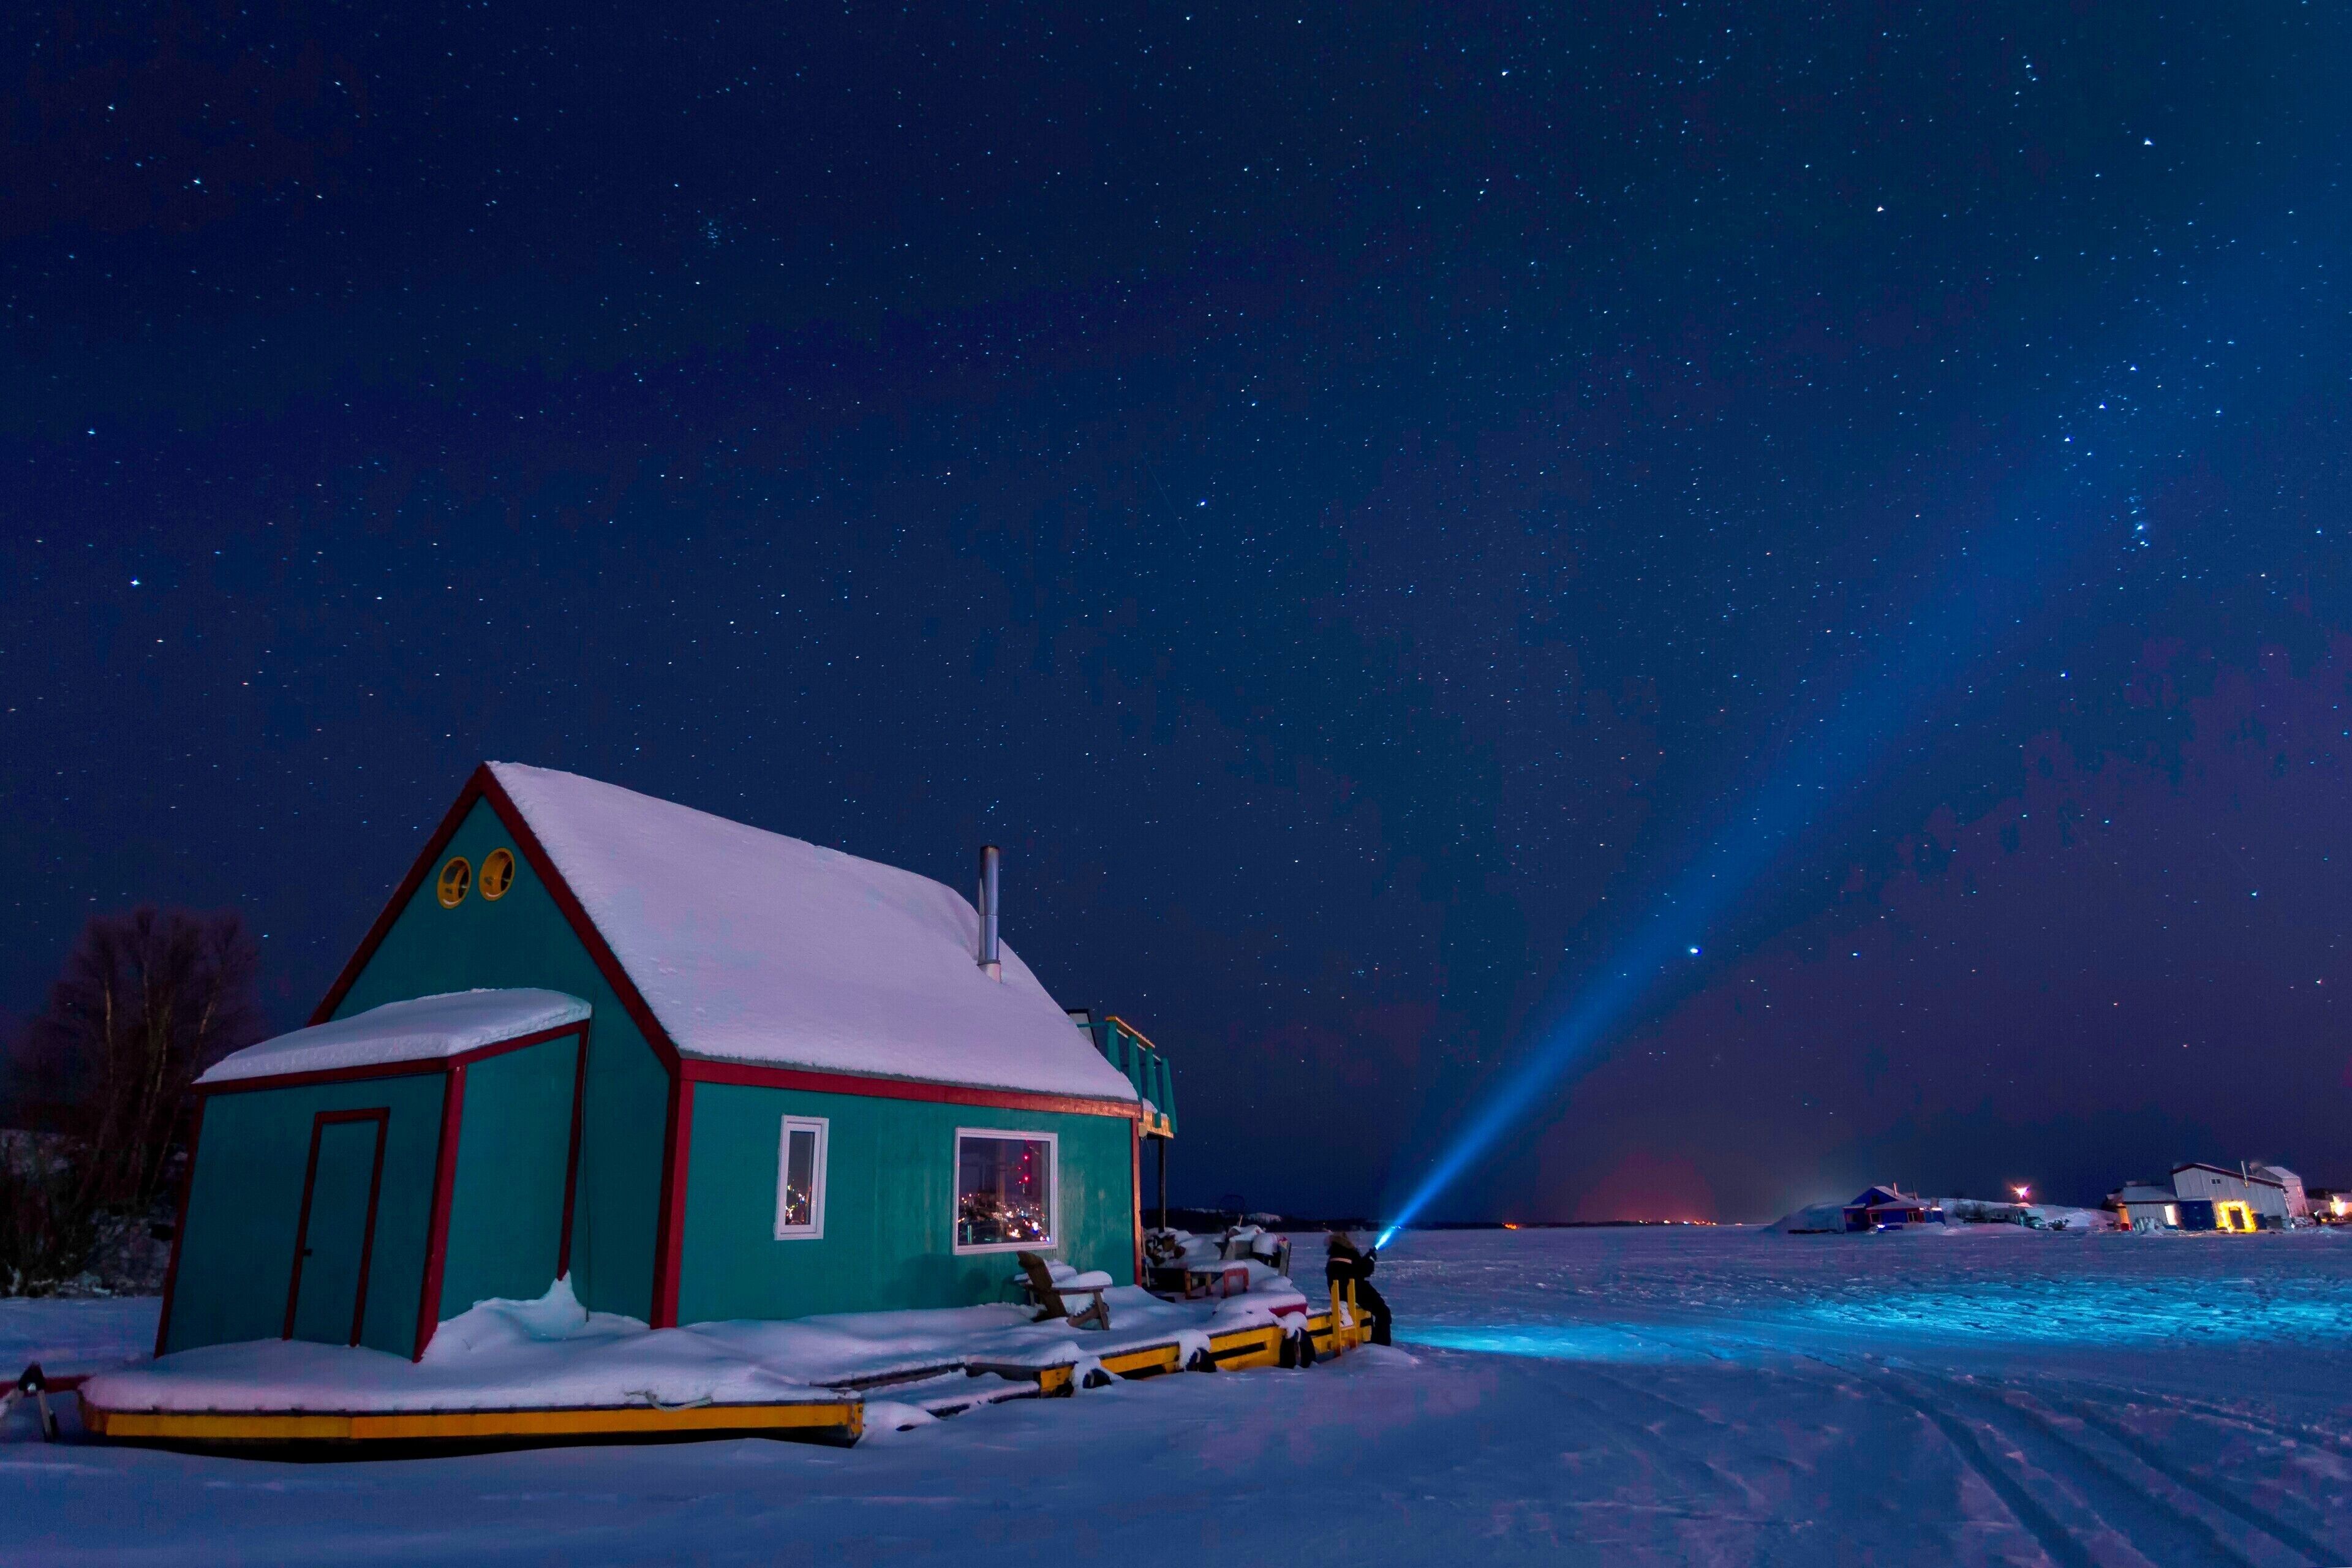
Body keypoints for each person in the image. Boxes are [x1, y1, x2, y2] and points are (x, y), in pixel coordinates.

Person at [1324, 1232, 1392, 1346]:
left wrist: (1367, 1259)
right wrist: (1370, 1260)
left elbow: (1355, 1269)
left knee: (1378, 1314)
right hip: (1354, 1292)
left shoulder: (1339, 1254)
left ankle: (1377, 1344)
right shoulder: (1343, 1254)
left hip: (1353, 1291)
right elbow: (1361, 1271)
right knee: (1383, 1313)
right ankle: (1381, 1347)